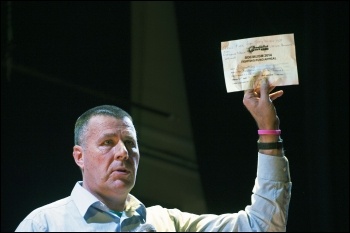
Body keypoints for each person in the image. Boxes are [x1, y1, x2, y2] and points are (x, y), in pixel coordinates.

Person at [15, 76, 291, 232]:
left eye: (130, 143)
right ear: (79, 156)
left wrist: (268, 130)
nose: (123, 153)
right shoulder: (44, 224)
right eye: (107, 142)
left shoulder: (164, 223)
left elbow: (261, 226)